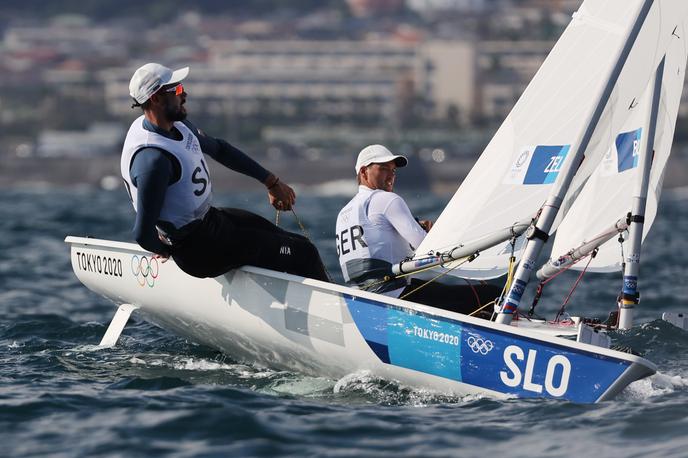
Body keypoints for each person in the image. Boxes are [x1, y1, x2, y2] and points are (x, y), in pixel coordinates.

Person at [121, 62, 328, 281]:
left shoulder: (178, 126)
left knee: (299, 244)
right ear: (156, 98)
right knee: (306, 255)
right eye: (178, 90)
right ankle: (340, 313)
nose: (185, 94)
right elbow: (142, 233)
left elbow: (220, 149)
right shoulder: (154, 161)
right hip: (202, 250)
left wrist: (271, 182)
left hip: (213, 222)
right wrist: (169, 253)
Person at [335, 144, 499, 316]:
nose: (391, 175)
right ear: (363, 172)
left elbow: (375, 245)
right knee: (491, 295)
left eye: (393, 170)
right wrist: (434, 237)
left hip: (362, 300)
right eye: (384, 169)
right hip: (394, 297)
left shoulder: (344, 213)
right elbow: (424, 248)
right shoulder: (387, 199)